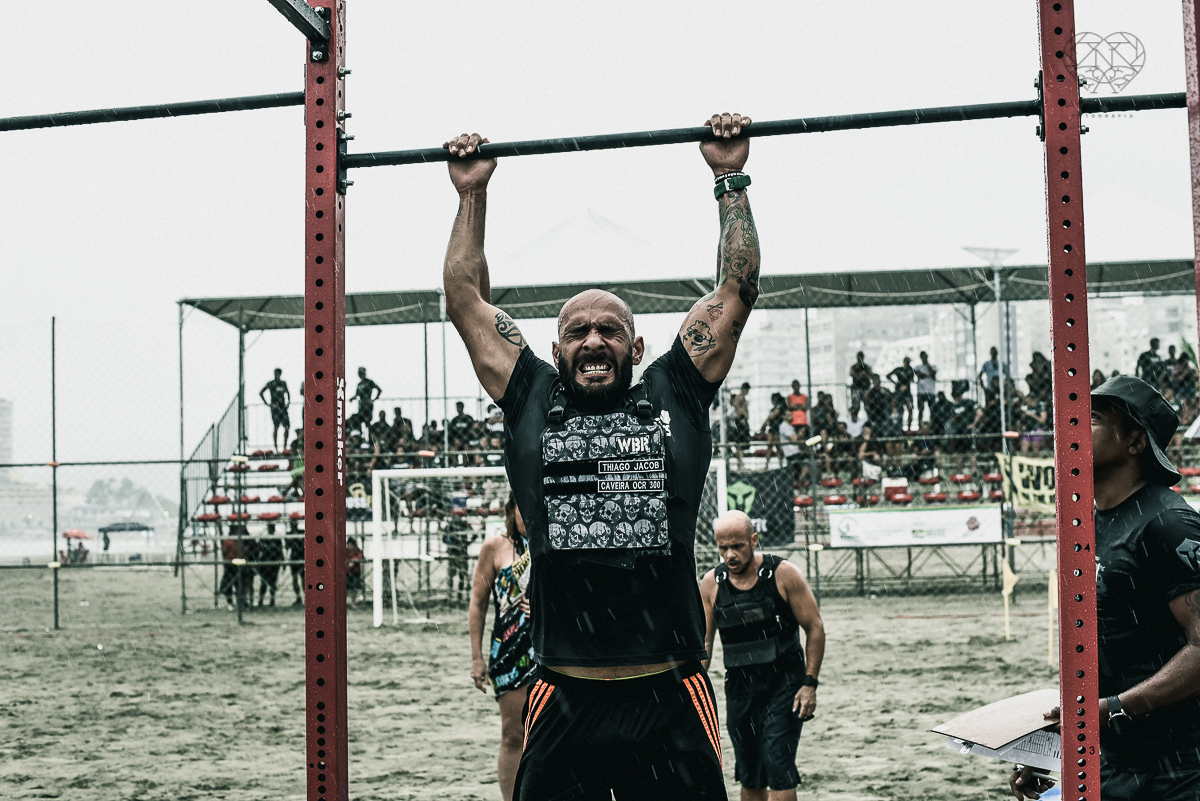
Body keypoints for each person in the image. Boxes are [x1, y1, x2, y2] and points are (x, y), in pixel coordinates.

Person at [441, 112, 758, 798]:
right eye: (577, 330)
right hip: (564, 692)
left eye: (610, 329)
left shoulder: (675, 391)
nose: (593, 339)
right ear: (555, 352)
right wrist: (472, 195)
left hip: (669, 691)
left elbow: (735, 293)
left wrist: (730, 178)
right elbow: (465, 301)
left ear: (636, 349)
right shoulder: (531, 397)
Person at [1010, 375, 1200, 800]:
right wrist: (1055, 749)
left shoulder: (1168, 524)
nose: (1072, 426)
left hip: (1177, 771)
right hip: (1113, 762)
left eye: (1092, 417)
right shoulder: (1089, 524)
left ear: (1135, 441)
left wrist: (1114, 710)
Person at [700, 511, 824, 801]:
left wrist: (810, 683)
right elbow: (704, 644)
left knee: (778, 765)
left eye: (738, 546)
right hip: (740, 691)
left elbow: (815, 627)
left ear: (753, 540)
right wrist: (691, 689)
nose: (730, 554)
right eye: (723, 548)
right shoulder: (711, 583)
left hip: (785, 687)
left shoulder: (783, 574)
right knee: (750, 774)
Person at [469, 494, 536, 801]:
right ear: (511, 510)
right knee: (514, 734)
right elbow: (478, 603)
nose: (528, 514)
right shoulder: (495, 547)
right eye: (522, 507)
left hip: (551, 648)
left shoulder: (554, 545)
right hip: (509, 650)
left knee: (553, 734)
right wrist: (477, 657)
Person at [259, 368, 291, 453]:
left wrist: (288, 403)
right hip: (275, 408)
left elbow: (288, 393)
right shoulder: (270, 383)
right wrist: (267, 404)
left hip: (283, 408)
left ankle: (284, 446)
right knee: (276, 427)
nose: (276, 375)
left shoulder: (283, 383)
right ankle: (276, 448)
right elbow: (261, 392)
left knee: (287, 427)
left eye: (277, 373)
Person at [346, 367, 382, 440]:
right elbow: (357, 394)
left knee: (367, 423)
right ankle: (360, 438)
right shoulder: (359, 384)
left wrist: (373, 399)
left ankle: (369, 440)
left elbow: (379, 390)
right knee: (358, 421)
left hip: (368, 407)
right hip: (361, 406)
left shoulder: (369, 382)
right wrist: (352, 398)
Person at [886, 356, 916, 431]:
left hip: (907, 392)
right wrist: (896, 383)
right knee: (899, 409)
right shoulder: (899, 369)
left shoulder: (910, 370)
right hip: (899, 392)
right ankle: (899, 426)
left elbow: (912, 379)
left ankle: (908, 428)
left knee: (910, 409)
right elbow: (888, 375)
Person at [759, 392, 788, 469]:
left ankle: (779, 464)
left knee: (777, 447)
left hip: (777, 428)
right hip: (773, 428)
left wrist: (764, 424)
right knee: (771, 446)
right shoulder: (775, 408)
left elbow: (772, 417)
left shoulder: (779, 407)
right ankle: (768, 464)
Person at [729, 382, 752, 470]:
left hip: (742, 420)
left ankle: (740, 464)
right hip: (741, 421)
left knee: (740, 444)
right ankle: (740, 464)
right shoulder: (740, 397)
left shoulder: (742, 398)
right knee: (740, 443)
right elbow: (736, 404)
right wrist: (742, 416)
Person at [913, 351, 938, 428]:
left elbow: (933, 374)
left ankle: (932, 426)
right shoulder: (918, 367)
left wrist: (927, 365)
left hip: (931, 391)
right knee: (920, 410)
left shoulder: (933, 366)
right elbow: (919, 374)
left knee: (932, 410)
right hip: (921, 391)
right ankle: (920, 426)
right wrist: (927, 375)